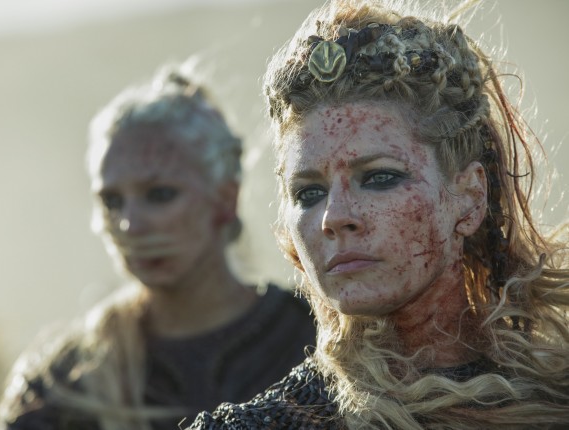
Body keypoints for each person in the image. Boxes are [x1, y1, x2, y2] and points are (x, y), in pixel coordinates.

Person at [188, 0, 569, 428]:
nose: (334, 217)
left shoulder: (557, 398)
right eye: (309, 193)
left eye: (379, 177)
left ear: (469, 197)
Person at [0, 69, 316, 430]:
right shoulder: (62, 387)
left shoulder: (318, 341)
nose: (130, 224)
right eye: (112, 201)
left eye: (160, 194)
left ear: (225, 199)